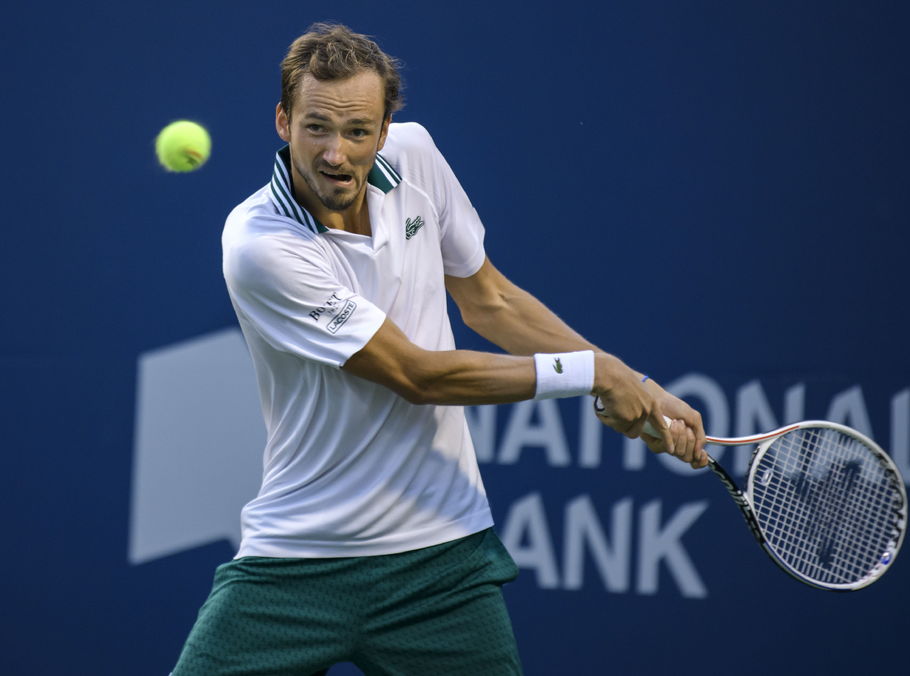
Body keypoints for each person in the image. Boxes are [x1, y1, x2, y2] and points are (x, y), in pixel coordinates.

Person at [172, 22, 707, 676]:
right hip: (299, 558)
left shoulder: (416, 157)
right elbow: (415, 375)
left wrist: (633, 381)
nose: (336, 153)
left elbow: (491, 301)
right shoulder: (260, 246)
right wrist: (591, 373)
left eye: (358, 131)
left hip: (441, 561)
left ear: (386, 130)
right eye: (316, 128)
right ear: (283, 121)